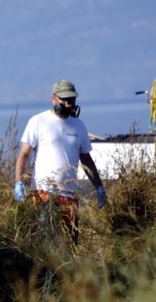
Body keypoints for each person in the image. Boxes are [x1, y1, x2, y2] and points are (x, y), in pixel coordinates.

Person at [14, 79, 107, 244]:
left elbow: (86, 159)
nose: (68, 104)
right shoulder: (38, 121)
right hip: (44, 194)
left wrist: (98, 186)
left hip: (69, 196)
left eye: (72, 100)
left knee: (70, 244)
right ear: (53, 98)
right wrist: (19, 182)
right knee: (46, 242)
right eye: (64, 100)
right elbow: (24, 154)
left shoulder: (79, 126)